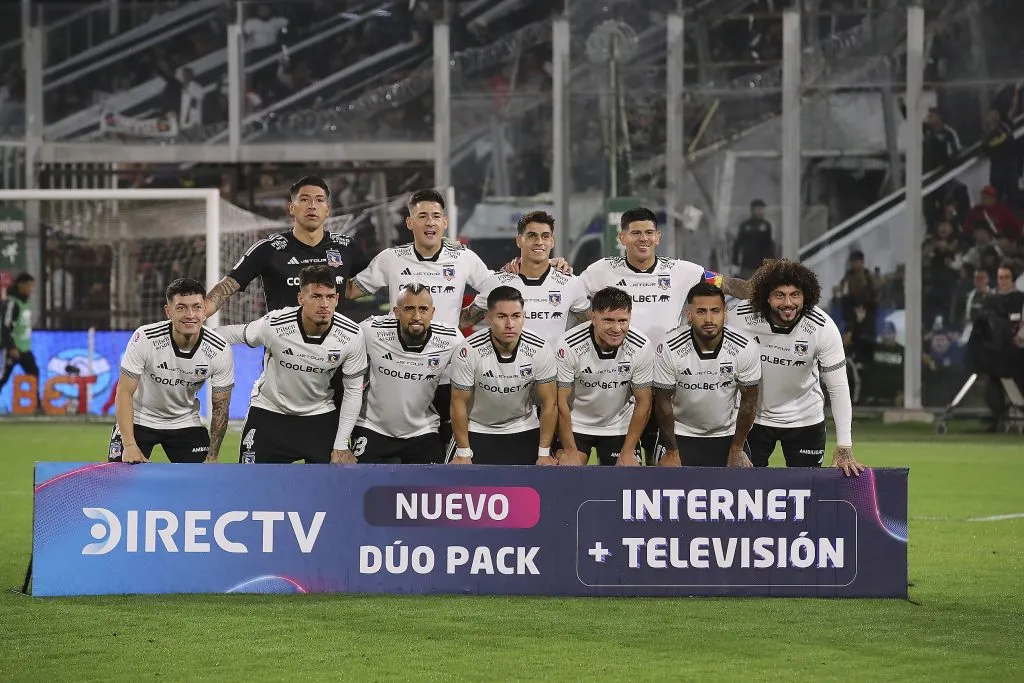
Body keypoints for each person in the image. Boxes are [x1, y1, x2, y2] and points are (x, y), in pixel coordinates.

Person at [576, 206, 750, 463]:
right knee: (624, 465)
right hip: (620, 383)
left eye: (649, 233)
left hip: (665, 382)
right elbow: (569, 294)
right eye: (635, 233)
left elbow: (726, 284)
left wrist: (769, 291)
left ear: (658, 237)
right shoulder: (600, 271)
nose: (643, 239)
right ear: (622, 238)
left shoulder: (683, 271)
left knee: (662, 461)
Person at [216, 265, 367, 464]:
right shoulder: (275, 324)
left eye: (330, 297)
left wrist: (340, 445)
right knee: (251, 481)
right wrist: (196, 335)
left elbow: (353, 391)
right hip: (270, 413)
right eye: (316, 296)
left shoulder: (351, 335)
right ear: (301, 298)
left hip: (318, 417)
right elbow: (235, 334)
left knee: (330, 483)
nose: (324, 304)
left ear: (337, 299)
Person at [733, 259, 865, 476]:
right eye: (779, 295)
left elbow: (838, 387)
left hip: (805, 419)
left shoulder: (822, 327)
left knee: (807, 490)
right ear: (766, 297)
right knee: (745, 489)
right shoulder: (740, 317)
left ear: (806, 296)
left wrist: (845, 446)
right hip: (752, 420)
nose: (788, 303)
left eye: (795, 295)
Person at [205, 175, 369, 317]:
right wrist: (198, 314)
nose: (312, 205)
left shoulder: (347, 247)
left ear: (327, 209)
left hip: (334, 341)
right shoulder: (269, 249)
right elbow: (225, 287)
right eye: (304, 199)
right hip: (283, 342)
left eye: (319, 200)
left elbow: (362, 286)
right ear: (291, 208)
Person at [108, 278, 234, 464]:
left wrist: (212, 456)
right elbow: (124, 392)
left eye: (197, 307)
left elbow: (221, 408)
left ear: (204, 311)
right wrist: (129, 445)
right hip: (139, 419)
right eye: (181, 308)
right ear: (168, 312)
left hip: (185, 421)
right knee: (118, 476)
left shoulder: (219, 349)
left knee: (201, 479)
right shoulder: (145, 338)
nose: (190, 315)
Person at [352, 284, 462, 464]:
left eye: (423, 309)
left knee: (436, 481)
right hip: (372, 426)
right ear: (396, 312)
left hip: (423, 430)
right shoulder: (371, 330)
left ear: (432, 312)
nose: (416, 316)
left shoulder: (452, 340)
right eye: (409, 309)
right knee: (355, 479)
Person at [653, 282, 760, 467]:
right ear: (689, 314)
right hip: (680, 434)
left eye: (715, 311)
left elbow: (749, 402)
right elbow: (662, 402)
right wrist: (672, 451)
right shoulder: (669, 347)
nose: (709, 319)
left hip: (727, 436)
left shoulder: (745, 347)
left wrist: (737, 448)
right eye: (701, 311)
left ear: (725, 313)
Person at [449, 286, 558, 466]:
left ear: (524, 316)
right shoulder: (468, 351)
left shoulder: (540, 349)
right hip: (477, 427)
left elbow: (549, 403)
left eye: (516, 316)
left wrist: (544, 453)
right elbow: (458, 403)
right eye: (501, 317)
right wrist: (463, 453)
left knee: (543, 482)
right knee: (455, 482)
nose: (509, 324)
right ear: (488, 318)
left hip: (523, 426)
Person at [555, 287, 655, 467]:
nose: (616, 328)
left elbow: (644, 401)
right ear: (593, 318)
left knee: (628, 475)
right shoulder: (569, 345)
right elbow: (560, 401)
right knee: (567, 470)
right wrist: (569, 451)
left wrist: (627, 452)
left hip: (619, 426)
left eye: (622, 321)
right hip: (576, 424)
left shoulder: (641, 346)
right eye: (608, 320)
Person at [460, 211, 590, 343]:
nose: (539, 242)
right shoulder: (497, 283)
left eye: (545, 236)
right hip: (508, 357)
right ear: (519, 241)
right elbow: (465, 321)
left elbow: (596, 323)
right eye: (532, 236)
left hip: (553, 357)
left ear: (552, 241)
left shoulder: (571, 284)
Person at [1, 273, 39, 407]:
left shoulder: (26, 303)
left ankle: (37, 405)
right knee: (3, 377)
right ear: (20, 286)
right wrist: (11, 347)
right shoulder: (11, 303)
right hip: (12, 348)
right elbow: (5, 327)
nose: (31, 289)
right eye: (29, 286)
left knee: (34, 373)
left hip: (24, 348)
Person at [731, 199, 776, 279]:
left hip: (762, 266)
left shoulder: (766, 225)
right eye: (758, 209)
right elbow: (738, 244)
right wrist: (735, 262)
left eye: (762, 209)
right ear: (752, 210)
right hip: (747, 266)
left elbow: (770, 245)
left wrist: (772, 262)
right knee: (745, 284)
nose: (761, 212)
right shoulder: (745, 225)